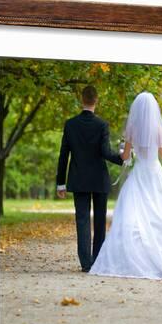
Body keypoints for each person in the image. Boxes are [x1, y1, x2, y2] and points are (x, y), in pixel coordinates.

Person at [89, 90, 162, 281]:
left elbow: (124, 157)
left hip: (138, 174)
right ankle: (156, 255)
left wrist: (125, 152)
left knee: (132, 216)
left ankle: (133, 258)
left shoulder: (132, 129)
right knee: (159, 214)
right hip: (154, 174)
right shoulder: (157, 129)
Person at [56, 85, 124, 272]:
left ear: (81, 99)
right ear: (97, 100)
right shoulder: (102, 125)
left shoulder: (70, 124)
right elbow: (104, 152)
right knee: (100, 221)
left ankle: (86, 264)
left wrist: (60, 182)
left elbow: (64, 155)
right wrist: (122, 158)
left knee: (83, 220)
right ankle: (98, 261)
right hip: (99, 179)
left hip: (78, 179)